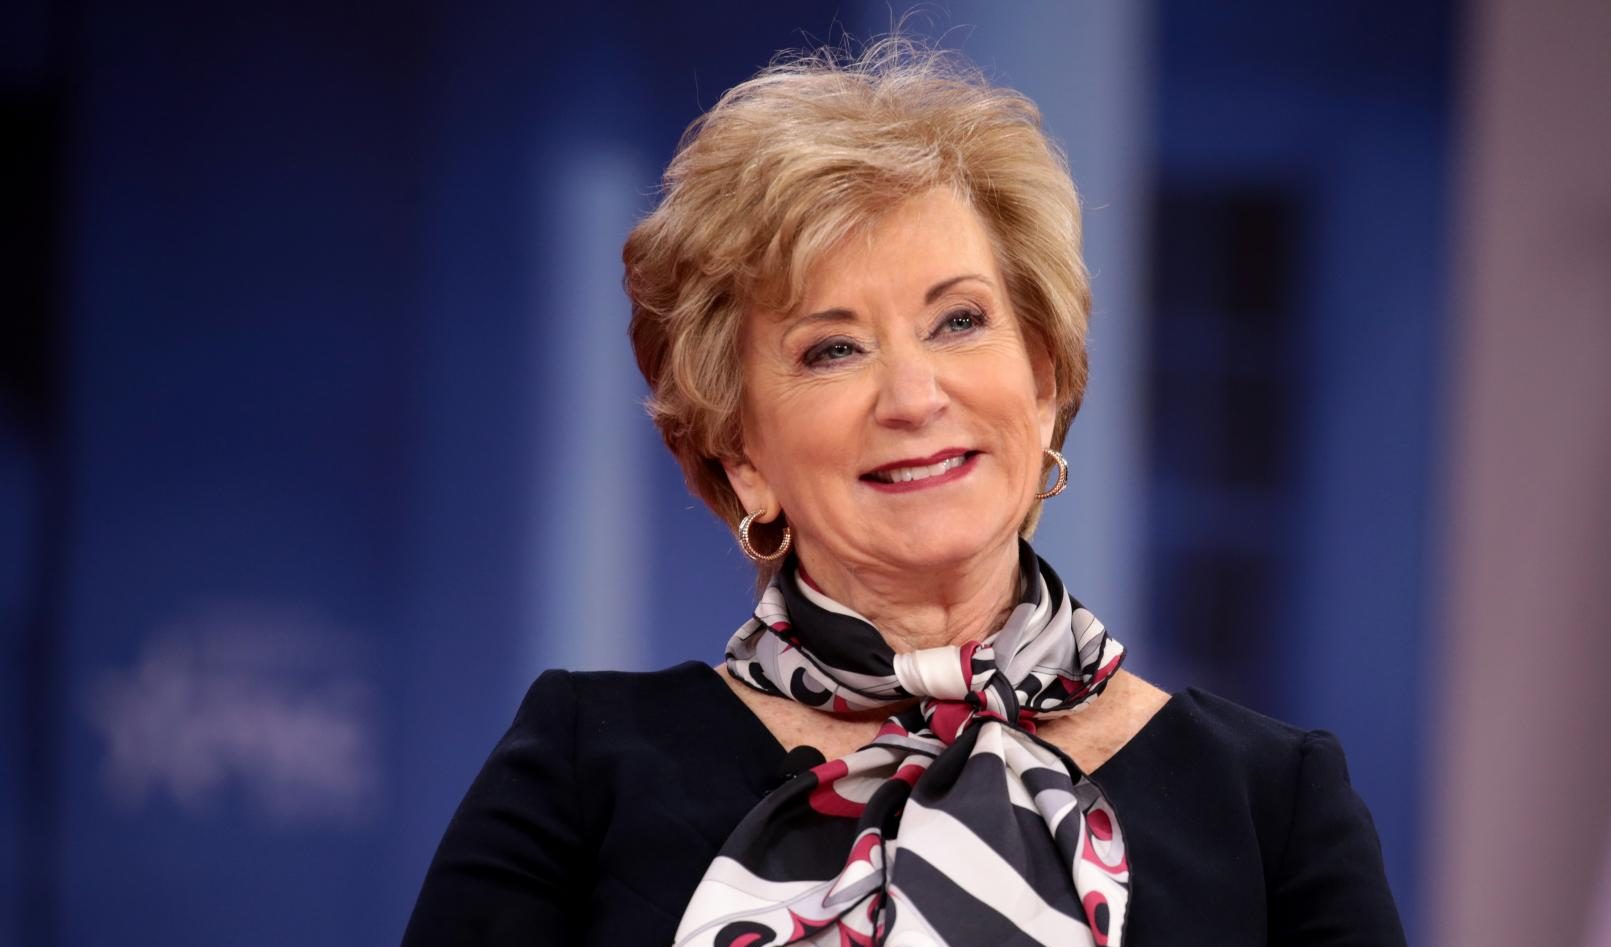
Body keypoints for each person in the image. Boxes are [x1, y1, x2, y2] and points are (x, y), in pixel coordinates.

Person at [402, 39, 1405, 947]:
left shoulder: (1270, 801)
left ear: (1043, 378)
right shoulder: (586, 765)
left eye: (959, 321)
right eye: (831, 347)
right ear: (741, 450)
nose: (913, 396)